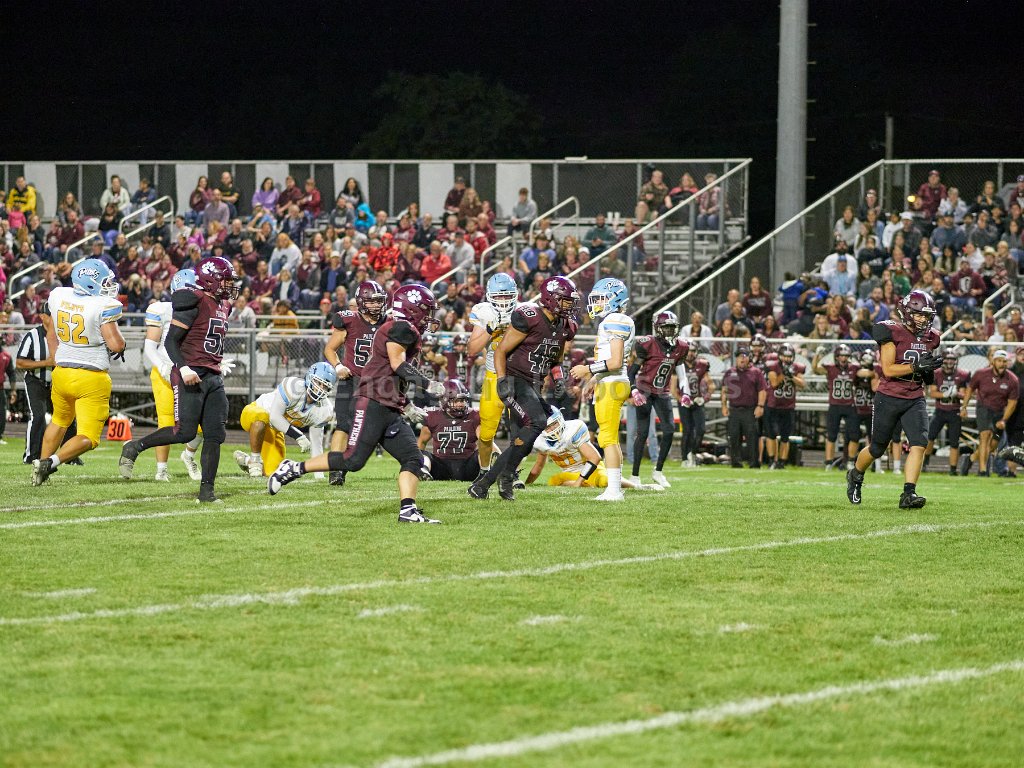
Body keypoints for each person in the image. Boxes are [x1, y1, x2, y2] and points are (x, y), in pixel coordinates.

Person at [268, 284, 446, 524]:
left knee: (413, 458)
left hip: (388, 404)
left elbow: (389, 374)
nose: (429, 317)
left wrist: (406, 405)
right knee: (353, 460)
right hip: (373, 402)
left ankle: (408, 511)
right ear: (413, 309)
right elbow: (397, 365)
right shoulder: (401, 328)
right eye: (426, 310)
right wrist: (427, 384)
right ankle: (293, 468)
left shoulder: (399, 327)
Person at [118, 257, 237, 503]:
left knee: (215, 434)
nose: (229, 285)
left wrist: (216, 360)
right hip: (190, 373)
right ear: (210, 280)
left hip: (212, 374)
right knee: (184, 432)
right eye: (225, 280)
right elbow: (171, 341)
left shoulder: (224, 305)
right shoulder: (193, 300)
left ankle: (207, 492)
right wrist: (183, 368)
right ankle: (134, 447)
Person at [469, 276, 579, 501]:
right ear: (551, 299)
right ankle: (497, 477)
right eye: (565, 300)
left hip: (534, 383)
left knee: (523, 440)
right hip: (515, 378)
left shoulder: (566, 325)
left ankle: (491, 483)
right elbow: (500, 351)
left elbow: (555, 358)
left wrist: (558, 377)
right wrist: (502, 381)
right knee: (537, 422)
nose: (569, 305)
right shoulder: (529, 317)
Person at [30, 260, 126, 486]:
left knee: (59, 421)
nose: (109, 286)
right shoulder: (103, 305)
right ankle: (49, 463)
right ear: (91, 283)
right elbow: (116, 344)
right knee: (89, 437)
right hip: (91, 376)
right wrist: (121, 344)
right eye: (104, 281)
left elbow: (51, 335)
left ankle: (40, 468)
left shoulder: (59, 296)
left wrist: (59, 360)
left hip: (62, 372)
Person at [846, 290, 942, 509]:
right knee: (877, 448)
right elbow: (888, 369)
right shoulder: (891, 331)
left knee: (919, 443)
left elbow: (924, 369)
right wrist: (917, 366)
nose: (923, 320)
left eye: (927, 316)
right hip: (889, 396)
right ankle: (855, 474)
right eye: (919, 314)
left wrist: (927, 372)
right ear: (907, 312)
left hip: (915, 396)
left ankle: (908, 493)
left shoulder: (932, 337)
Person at [570, 278, 634, 501]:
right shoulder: (614, 320)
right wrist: (594, 379)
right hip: (611, 381)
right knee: (609, 437)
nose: (596, 303)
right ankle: (615, 487)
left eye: (601, 299)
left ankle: (614, 490)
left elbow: (615, 361)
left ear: (614, 299)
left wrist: (587, 369)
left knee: (607, 438)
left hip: (613, 383)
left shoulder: (616, 319)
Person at [322, 280, 387, 486]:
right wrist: (338, 366)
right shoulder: (349, 320)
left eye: (379, 301)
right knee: (343, 425)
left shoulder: (390, 322)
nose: (376, 305)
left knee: (382, 427)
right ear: (360, 302)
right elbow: (330, 349)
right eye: (372, 301)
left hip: (378, 384)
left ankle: (412, 464)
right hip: (352, 380)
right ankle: (335, 471)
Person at [142, 269, 205, 481]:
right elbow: (150, 346)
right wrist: (162, 367)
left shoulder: (204, 310)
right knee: (166, 421)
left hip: (191, 371)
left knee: (204, 423)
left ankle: (188, 456)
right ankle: (161, 469)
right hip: (166, 371)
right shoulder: (161, 309)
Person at [233, 363, 335, 478]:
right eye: (318, 383)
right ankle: (255, 460)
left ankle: (247, 461)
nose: (320, 388)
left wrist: (319, 475)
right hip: (255, 413)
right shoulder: (294, 387)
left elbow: (316, 443)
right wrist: (299, 436)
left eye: (325, 386)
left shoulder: (324, 410)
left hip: (274, 430)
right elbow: (274, 417)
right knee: (261, 416)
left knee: (271, 473)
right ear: (309, 378)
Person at [467, 273, 521, 478]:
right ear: (490, 296)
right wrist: (491, 329)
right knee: (487, 433)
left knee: (519, 432)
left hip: (519, 377)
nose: (504, 301)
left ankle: (512, 473)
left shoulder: (524, 311)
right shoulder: (484, 312)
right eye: (499, 296)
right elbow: (472, 349)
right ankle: (484, 471)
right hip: (493, 377)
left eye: (507, 296)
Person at [627, 310, 689, 488]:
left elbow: (682, 374)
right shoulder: (647, 344)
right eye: (666, 327)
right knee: (643, 433)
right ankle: (635, 475)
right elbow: (631, 373)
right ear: (658, 328)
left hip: (662, 392)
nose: (670, 331)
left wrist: (686, 392)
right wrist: (634, 391)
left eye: (672, 327)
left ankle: (658, 471)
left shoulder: (681, 346)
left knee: (669, 431)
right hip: (645, 391)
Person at [526, 407, 651, 490]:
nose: (553, 429)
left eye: (554, 424)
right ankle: (588, 485)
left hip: (592, 469)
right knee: (554, 481)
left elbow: (595, 458)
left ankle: (637, 487)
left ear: (560, 419)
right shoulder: (541, 441)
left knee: (605, 481)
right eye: (548, 427)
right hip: (570, 474)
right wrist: (526, 484)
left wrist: (578, 482)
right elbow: (539, 466)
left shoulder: (573, 430)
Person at [960, 349, 1019, 477]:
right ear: (993, 361)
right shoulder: (981, 374)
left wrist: (1004, 420)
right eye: (999, 361)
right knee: (985, 436)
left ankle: (970, 459)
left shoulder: (1012, 379)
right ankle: (983, 471)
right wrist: (964, 407)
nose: (1002, 364)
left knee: (993, 445)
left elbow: (1012, 403)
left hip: (999, 412)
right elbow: (970, 389)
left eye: (1004, 361)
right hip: (983, 408)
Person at [417, 379, 480, 481]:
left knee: (483, 451)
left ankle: (488, 473)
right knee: (423, 454)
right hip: (441, 468)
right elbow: (421, 443)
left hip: (467, 467)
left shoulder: (473, 416)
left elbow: (486, 442)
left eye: (462, 400)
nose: (461, 404)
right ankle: (423, 471)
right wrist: (415, 464)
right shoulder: (433, 417)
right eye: (456, 401)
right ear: (445, 400)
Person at [812, 343, 861, 470]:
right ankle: (828, 462)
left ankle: (851, 461)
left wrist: (866, 362)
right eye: (841, 356)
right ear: (836, 357)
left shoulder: (854, 368)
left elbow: (868, 373)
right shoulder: (830, 368)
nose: (843, 358)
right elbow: (815, 369)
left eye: (846, 356)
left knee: (854, 435)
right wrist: (817, 355)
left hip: (850, 405)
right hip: (835, 405)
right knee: (831, 436)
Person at [924, 349, 969, 476]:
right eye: (947, 359)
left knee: (954, 442)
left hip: (954, 411)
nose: (950, 362)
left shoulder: (962, 374)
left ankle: (953, 469)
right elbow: (932, 393)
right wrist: (945, 394)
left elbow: (965, 394)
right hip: (940, 411)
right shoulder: (936, 373)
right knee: (930, 437)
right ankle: (925, 461)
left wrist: (956, 394)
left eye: (952, 359)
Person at [720, 346, 766, 468]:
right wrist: (724, 405)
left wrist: (760, 406)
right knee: (734, 437)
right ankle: (736, 462)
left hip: (750, 410)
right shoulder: (730, 372)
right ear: (736, 358)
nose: (742, 359)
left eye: (745, 356)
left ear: (748, 358)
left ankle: (754, 463)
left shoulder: (756, 372)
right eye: (740, 356)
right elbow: (724, 390)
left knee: (752, 438)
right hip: (734, 409)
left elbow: (762, 390)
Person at [763, 343, 806, 469]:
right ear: (779, 356)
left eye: (789, 356)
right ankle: (772, 460)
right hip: (773, 405)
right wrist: (783, 374)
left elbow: (802, 384)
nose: (786, 359)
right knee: (771, 435)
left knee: (785, 437)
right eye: (784, 356)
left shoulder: (797, 367)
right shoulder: (772, 366)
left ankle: (782, 462)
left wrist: (791, 376)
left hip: (788, 406)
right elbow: (774, 383)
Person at [679, 344, 713, 467]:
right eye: (688, 351)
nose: (690, 353)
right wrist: (683, 399)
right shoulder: (679, 364)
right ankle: (684, 459)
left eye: (693, 351)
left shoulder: (702, 364)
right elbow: (673, 388)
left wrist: (704, 399)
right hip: (684, 403)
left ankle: (692, 453)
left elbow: (711, 386)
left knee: (701, 430)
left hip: (697, 401)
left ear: (696, 352)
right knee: (687, 431)